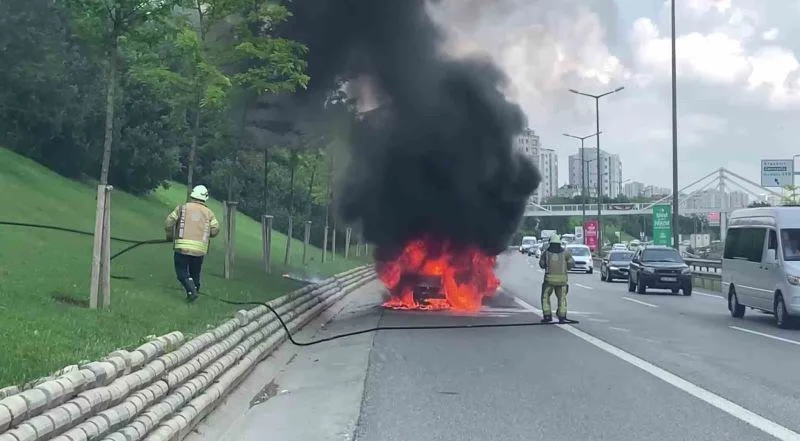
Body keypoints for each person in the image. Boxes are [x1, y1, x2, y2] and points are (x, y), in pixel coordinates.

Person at [165, 185, 220, 302]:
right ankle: (194, 291)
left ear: (192, 195)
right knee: (195, 273)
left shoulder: (182, 208)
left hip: (182, 247)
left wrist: (170, 236)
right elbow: (215, 229)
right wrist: (205, 234)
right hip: (199, 250)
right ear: (205, 198)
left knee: (182, 271)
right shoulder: (209, 213)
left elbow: (169, 222)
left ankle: (191, 291)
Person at [538, 234, 575, 323]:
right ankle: (562, 316)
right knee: (562, 298)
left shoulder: (546, 253)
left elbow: (542, 265)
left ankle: (547, 316)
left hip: (548, 281)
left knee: (545, 297)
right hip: (562, 281)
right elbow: (571, 264)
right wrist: (566, 268)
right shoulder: (566, 253)